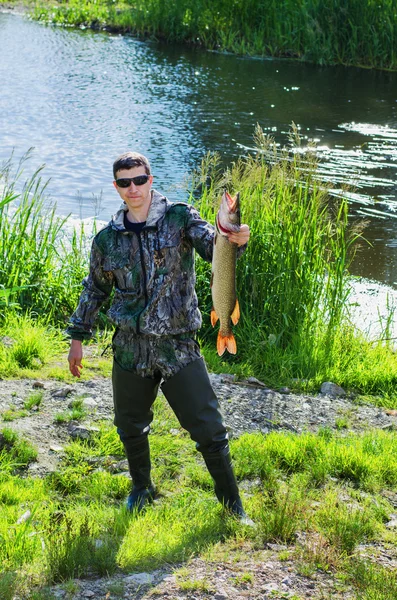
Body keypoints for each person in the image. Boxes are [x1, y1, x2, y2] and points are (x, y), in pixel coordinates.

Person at [67, 151, 251, 521]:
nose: (132, 188)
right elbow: (95, 289)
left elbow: (211, 243)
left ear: (150, 180)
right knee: (130, 426)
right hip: (130, 349)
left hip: (178, 345)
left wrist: (235, 238)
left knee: (209, 428)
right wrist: (77, 335)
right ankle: (141, 488)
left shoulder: (180, 217)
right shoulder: (107, 240)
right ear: (117, 187)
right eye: (124, 182)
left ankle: (234, 508)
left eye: (139, 180)